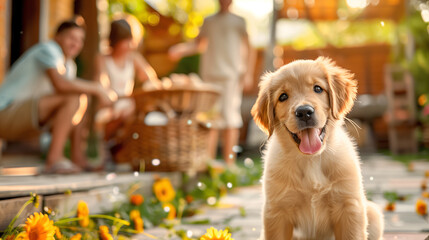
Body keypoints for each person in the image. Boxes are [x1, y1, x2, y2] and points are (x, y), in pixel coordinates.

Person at [0, 17, 113, 174]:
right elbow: (60, 84)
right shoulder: (48, 49)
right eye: (71, 38)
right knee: (73, 97)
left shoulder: (69, 65)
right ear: (57, 37)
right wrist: (97, 88)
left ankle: (78, 158)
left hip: (26, 118)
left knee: (79, 98)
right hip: (5, 113)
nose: (76, 44)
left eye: (80, 40)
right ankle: (54, 159)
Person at [169, 0, 255, 165]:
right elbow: (198, 45)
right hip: (210, 77)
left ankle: (229, 165)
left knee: (230, 119)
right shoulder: (209, 21)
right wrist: (181, 50)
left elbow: (249, 48)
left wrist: (248, 72)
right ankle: (207, 163)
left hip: (231, 76)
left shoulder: (239, 22)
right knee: (210, 119)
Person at [93, 18, 159, 154]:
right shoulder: (103, 59)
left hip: (128, 104)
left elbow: (151, 79)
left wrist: (146, 90)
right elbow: (101, 82)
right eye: (125, 41)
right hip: (109, 103)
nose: (129, 45)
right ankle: (108, 146)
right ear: (115, 41)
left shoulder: (133, 58)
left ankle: (119, 148)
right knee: (111, 114)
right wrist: (108, 96)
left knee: (131, 111)